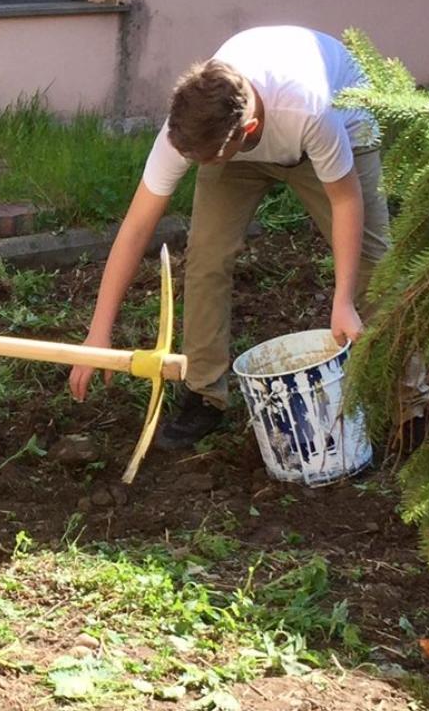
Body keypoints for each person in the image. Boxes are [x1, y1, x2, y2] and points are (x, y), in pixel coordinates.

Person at [69, 25, 395, 450]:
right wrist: (98, 334)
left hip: (343, 122)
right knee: (205, 256)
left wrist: (343, 301)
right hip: (244, 136)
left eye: (204, 159)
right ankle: (204, 394)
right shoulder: (190, 126)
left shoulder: (311, 111)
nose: (193, 165)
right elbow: (135, 228)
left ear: (247, 130)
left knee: (376, 264)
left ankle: (409, 401)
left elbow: (346, 203)